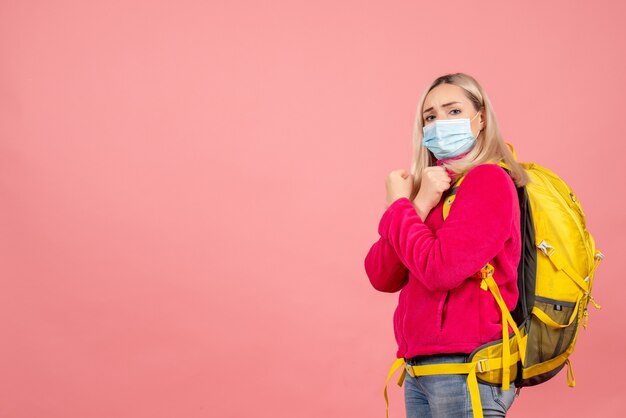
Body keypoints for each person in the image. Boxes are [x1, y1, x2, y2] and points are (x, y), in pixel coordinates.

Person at [364, 72, 530, 418]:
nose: (440, 123)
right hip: (419, 371)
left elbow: (441, 271)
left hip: (465, 368)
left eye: (453, 111)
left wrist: (399, 207)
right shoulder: (434, 190)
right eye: (430, 117)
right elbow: (381, 275)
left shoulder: (489, 181)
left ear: (481, 119)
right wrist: (419, 204)